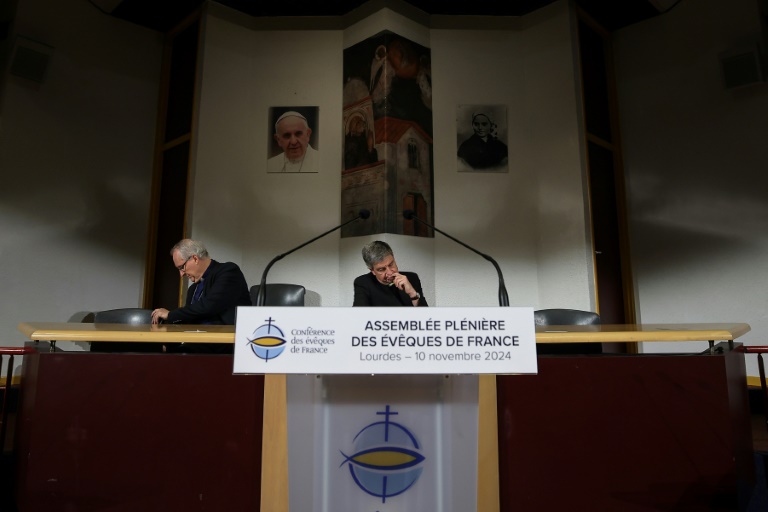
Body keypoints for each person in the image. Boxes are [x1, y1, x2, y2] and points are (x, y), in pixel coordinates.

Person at [151, 239, 251, 353]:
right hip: (197, 341)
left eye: (181, 267)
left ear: (195, 259)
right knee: (152, 348)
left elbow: (208, 306)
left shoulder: (228, 271)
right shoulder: (193, 289)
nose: (181, 274)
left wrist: (170, 314)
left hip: (225, 343)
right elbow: (189, 318)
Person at [353, 240, 428, 307]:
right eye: (382, 269)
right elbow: (359, 317)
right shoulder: (363, 283)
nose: (390, 272)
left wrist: (412, 294)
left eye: (391, 264)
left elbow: (426, 317)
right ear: (372, 270)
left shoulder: (412, 278)